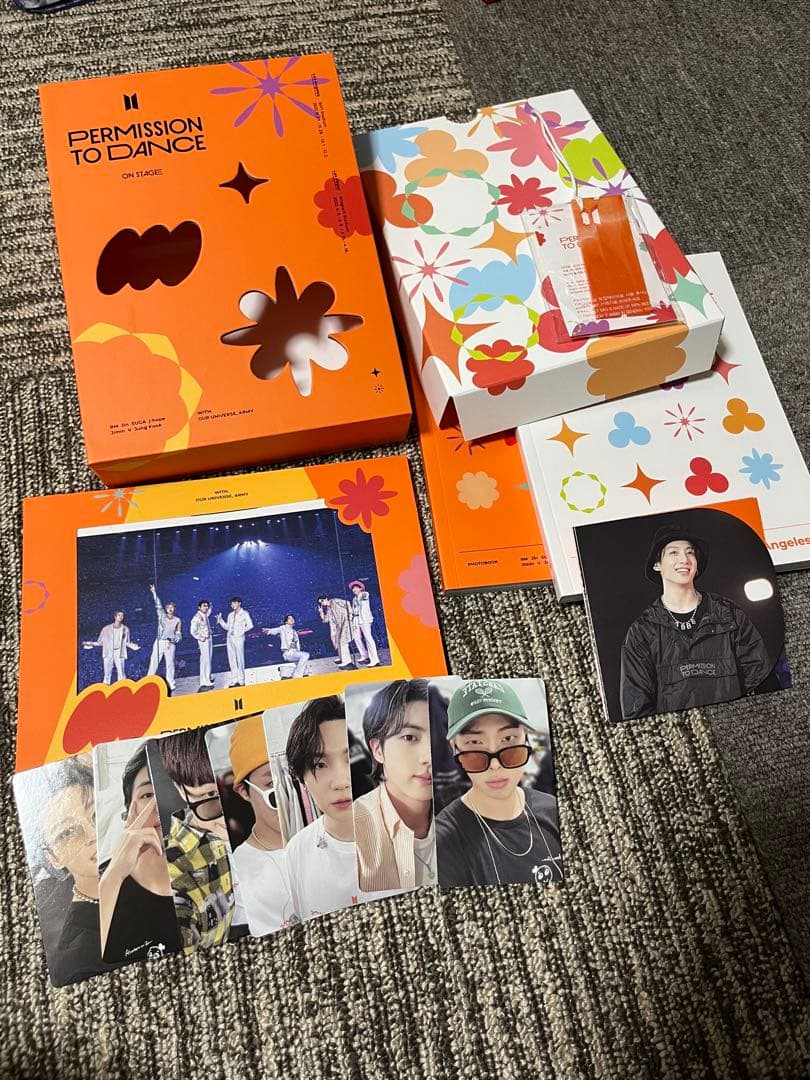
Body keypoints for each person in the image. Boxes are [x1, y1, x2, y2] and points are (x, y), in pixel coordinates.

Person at [620, 523, 775, 719]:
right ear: (657, 565)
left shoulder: (729, 614)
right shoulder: (642, 630)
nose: (684, 559)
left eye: (690, 552)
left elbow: (760, 679)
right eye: (673, 552)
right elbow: (636, 708)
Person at [435, 680, 563, 888]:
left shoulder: (553, 810)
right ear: (454, 748)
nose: (495, 765)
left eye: (508, 739)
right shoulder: (442, 844)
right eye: (475, 743)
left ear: (526, 738)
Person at [30, 756, 119, 985]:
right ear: (54, 858)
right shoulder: (80, 955)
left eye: (96, 814)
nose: (93, 835)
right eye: (67, 833)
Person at [98, 745, 182, 963]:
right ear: (129, 812)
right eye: (148, 795)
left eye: (172, 789)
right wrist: (114, 877)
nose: (160, 805)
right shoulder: (102, 882)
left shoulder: (216, 867)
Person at [156, 730, 237, 952]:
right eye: (210, 796)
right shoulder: (175, 874)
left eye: (238, 785)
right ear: (180, 790)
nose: (232, 812)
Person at [352, 679, 436, 893]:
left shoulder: (467, 814)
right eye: (410, 737)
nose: (430, 756)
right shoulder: (353, 831)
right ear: (378, 750)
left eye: (439, 736)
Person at [284, 696, 359, 919]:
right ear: (302, 780)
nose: (341, 782)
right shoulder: (297, 851)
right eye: (320, 765)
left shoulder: (415, 836)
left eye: (352, 757)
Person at [229, 715, 297, 934]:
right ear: (244, 791)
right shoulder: (238, 873)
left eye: (295, 776)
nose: (290, 795)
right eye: (272, 783)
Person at [83, 610, 141, 684]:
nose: (121, 617)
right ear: (115, 617)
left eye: (122, 615)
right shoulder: (106, 629)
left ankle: (122, 688)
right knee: (107, 674)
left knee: (121, 673)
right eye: (119, 615)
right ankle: (105, 688)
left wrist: (133, 646)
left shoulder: (126, 629)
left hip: (119, 653)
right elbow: (100, 642)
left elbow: (126, 642)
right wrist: (90, 643)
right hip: (108, 653)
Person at [147, 584, 181, 692]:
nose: (170, 609)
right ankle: (148, 682)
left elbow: (179, 634)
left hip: (171, 644)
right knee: (154, 662)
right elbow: (158, 604)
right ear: (166, 609)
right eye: (168, 607)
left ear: (174, 609)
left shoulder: (177, 620)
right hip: (160, 642)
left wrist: (175, 640)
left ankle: (170, 683)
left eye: (172, 607)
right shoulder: (161, 616)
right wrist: (154, 592)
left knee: (170, 664)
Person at [216, 596, 254, 687]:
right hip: (230, 638)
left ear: (239, 603)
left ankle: (241, 679)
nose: (232, 605)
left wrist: (240, 632)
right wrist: (220, 620)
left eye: (234, 603)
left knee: (240, 659)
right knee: (232, 659)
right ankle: (234, 679)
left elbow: (250, 625)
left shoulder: (244, 613)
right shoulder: (230, 615)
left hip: (239, 638)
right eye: (231, 603)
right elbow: (227, 627)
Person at [262, 614, 310, 678]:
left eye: (293, 618)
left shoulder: (294, 632)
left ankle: (284, 670)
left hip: (295, 652)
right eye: (290, 618)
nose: (292, 619)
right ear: (286, 621)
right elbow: (275, 630)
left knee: (305, 671)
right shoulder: (283, 628)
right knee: (305, 655)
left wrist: (298, 650)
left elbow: (297, 643)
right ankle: (296, 676)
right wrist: (268, 630)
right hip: (288, 653)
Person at [348, 580, 380, 667]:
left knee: (368, 638)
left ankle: (374, 660)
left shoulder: (365, 594)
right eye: (353, 588)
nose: (354, 590)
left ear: (360, 588)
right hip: (356, 620)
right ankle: (364, 655)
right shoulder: (354, 599)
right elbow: (354, 610)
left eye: (356, 588)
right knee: (356, 638)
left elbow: (363, 596)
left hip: (365, 620)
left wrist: (362, 591)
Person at [316, 595, 352, 668]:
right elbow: (325, 620)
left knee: (343, 642)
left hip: (346, 622)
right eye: (320, 603)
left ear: (326, 599)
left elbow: (347, 603)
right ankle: (342, 658)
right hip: (339, 626)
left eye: (322, 601)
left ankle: (347, 661)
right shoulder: (329, 609)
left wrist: (350, 615)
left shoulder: (335, 601)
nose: (322, 603)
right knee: (339, 642)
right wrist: (321, 612)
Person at [189, 600, 216, 690]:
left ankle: (207, 677)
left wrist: (210, 607)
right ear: (199, 607)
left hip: (209, 638)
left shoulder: (204, 615)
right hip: (203, 640)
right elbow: (192, 631)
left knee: (208, 659)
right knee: (205, 660)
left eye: (207, 606)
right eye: (204, 606)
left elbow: (208, 613)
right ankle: (204, 681)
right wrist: (201, 637)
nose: (206, 607)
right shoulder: (196, 617)